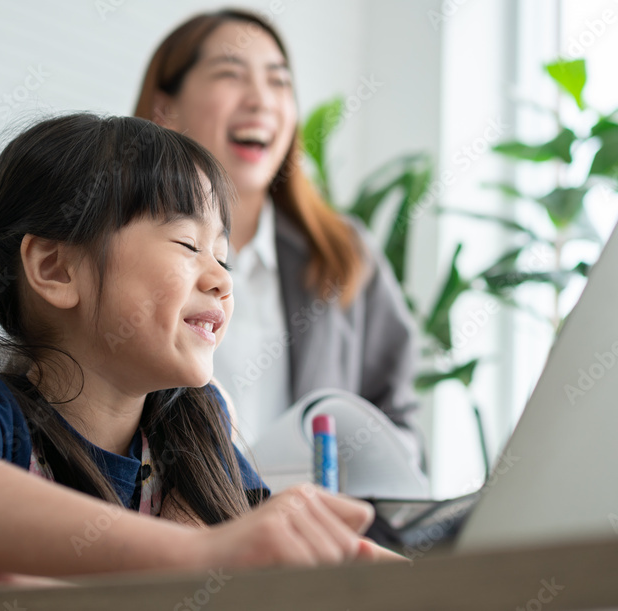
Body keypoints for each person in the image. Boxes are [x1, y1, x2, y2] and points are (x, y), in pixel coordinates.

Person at [0, 114, 398, 592]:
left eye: (223, 255)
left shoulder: (195, 426)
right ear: (57, 269)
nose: (222, 279)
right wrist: (203, 552)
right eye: (188, 246)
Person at [133, 10, 423, 459]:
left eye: (279, 82)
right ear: (164, 108)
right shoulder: (120, 250)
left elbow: (401, 432)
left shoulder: (346, 253)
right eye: (231, 75)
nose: (262, 101)